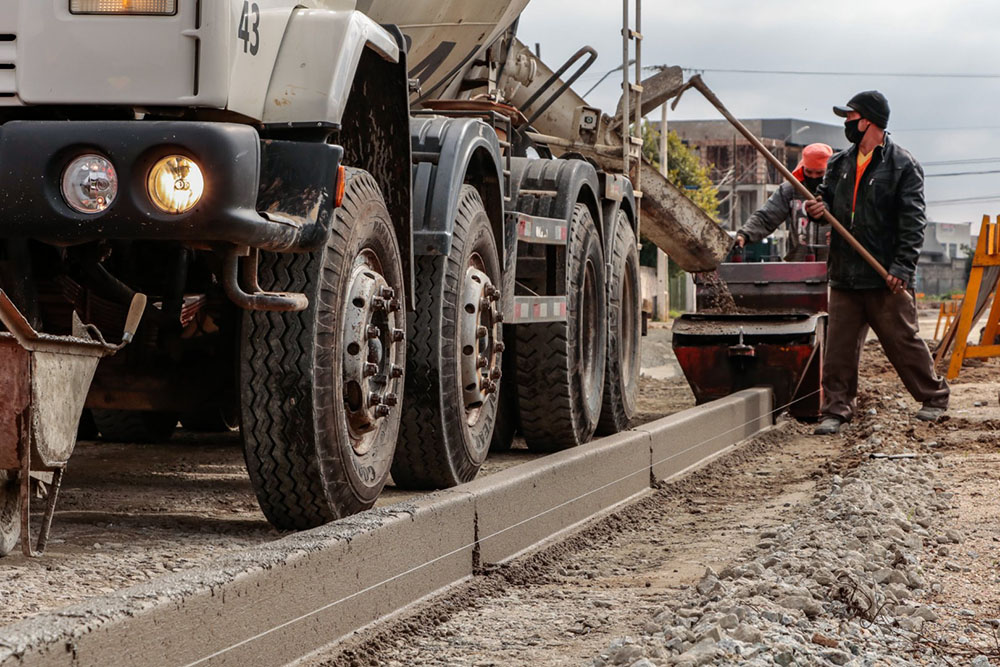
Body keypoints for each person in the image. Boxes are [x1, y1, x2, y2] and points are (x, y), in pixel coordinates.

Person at [804, 90, 949, 434]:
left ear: (869, 121)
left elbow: (913, 223)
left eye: (850, 118)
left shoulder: (902, 165)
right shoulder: (839, 164)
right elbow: (825, 203)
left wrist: (902, 267)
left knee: (903, 342)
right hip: (844, 274)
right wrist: (817, 210)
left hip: (885, 275)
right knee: (838, 349)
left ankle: (934, 397)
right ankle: (836, 410)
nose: (846, 124)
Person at [736, 142, 833, 261]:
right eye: (808, 172)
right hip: (798, 266)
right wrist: (744, 235)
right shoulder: (789, 190)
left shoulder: (839, 190)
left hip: (834, 266)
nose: (813, 177)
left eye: (819, 173)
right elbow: (767, 217)